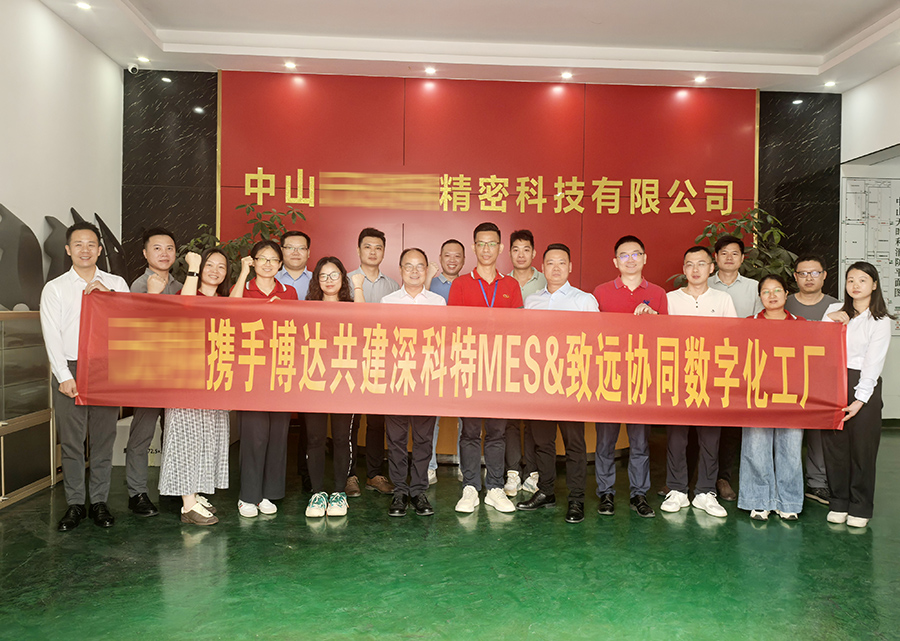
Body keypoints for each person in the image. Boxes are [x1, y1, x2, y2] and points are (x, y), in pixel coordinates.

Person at [40, 222, 129, 531]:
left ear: (100, 250)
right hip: (71, 368)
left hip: (106, 368)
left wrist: (109, 296)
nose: (85, 250)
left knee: (104, 439)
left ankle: (100, 502)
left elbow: (129, 322)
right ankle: (76, 503)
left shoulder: (116, 283)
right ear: (68, 250)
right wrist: (63, 375)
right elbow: (51, 335)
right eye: (78, 244)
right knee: (72, 442)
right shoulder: (55, 288)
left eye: (91, 244)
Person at [517, 243, 595, 523]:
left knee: (574, 443)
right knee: (543, 442)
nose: (556, 268)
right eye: (550, 263)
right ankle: (546, 492)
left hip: (572, 383)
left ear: (570, 267)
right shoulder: (532, 301)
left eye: (562, 262)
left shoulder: (584, 300)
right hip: (540, 383)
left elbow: (595, 341)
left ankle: (576, 499)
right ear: (543, 267)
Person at [448, 222, 523, 514]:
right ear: (474, 247)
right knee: (469, 431)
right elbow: (454, 328)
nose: (486, 249)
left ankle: (494, 487)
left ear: (500, 248)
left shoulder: (510, 285)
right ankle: (470, 487)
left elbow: (518, 329)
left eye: (492, 244)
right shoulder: (461, 284)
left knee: (496, 432)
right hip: (470, 366)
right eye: (481, 243)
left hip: (500, 368)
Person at [592, 235, 667, 519]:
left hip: (642, 377)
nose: (630, 260)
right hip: (609, 376)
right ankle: (606, 493)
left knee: (640, 442)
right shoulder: (600, 293)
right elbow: (592, 335)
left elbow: (668, 336)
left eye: (636, 254)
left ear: (645, 258)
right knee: (605, 442)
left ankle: (639, 494)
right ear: (615, 262)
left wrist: (655, 317)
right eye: (624, 255)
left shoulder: (658, 293)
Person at [158, 248, 232, 525]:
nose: (215, 270)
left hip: (214, 379)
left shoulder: (225, 302)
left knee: (209, 437)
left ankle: (194, 493)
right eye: (209, 265)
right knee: (185, 438)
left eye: (221, 266)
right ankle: (187, 505)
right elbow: (185, 307)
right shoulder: (187, 292)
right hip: (185, 378)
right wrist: (193, 267)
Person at [662, 245, 737, 518]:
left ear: (711, 268)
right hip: (678, 377)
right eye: (690, 264)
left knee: (710, 437)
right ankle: (677, 489)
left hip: (712, 378)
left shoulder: (723, 299)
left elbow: (732, 338)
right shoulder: (669, 299)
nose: (695, 269)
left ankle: (706, 491)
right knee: (677, 436)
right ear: (684, 269)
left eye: (701, 264)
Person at [230, 240, 299, 517]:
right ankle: (248, 496)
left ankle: (269, 493)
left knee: (277, 435)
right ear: (253, 261)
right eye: (262, 259)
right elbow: (230, 310)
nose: (268, 264)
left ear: (280, 264)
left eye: (273, 260)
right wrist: (242, 274)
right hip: (252, 373)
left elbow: (297, 327)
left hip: (280, 371)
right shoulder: (244, 288)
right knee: (254, 436)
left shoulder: (289, 292)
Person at [822, 262, 894, 528]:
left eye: (862, 280)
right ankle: (838, 502)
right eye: (851, 280)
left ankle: (860, 507)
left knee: (863, 449)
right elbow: (817, 344)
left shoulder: (880, 320)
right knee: (834, 446)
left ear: (874, 285)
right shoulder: (833, 310)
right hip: (833, 380)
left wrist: (860, 399)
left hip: (865, 383)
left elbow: (873, 363)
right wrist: (829, 321)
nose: (855, 285)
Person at [381, 248, 446, 517]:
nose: (415, 271)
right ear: (400, 270)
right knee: (396, 439)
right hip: (396, 378)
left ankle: (418, 490)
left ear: (426, 270)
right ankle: (399, 490)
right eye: (409, 266)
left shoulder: (438, 302)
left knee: (422, 438)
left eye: (420, 266)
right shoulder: (388, 301)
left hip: (426, 379)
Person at [738, 274, 805, 521]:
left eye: (777, 290)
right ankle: (758, 500)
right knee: (756, 447)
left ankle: (788, 502)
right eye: (766, 291)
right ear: (760, 297)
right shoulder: (749, 323)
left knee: (790, 448)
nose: (772, 295)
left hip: (792, 396)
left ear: (786, 294)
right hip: (757, 395)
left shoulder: (801, 324)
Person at [125, 227, 182, 518]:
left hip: (178, 373)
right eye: (157, 248)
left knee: (174, 433)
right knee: (142, 435)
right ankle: (136, 493)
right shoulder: (137, 286)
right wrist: (152, 296)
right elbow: (136, 328)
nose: (164, 253)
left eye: (169, 248)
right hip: (148, 373)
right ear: (145, 253)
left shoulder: (181, 286)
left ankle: (172, 487)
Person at [303, 257, 366, 518]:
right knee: (315, 438)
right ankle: (317, 493)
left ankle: (339, 492)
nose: (329, 280)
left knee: (342, 438)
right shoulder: (307, 308)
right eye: (323, 275)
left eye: (334, 275)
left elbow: (365, 322)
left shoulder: (351, 306)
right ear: (316, 280)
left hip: (344, 380)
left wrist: (359, 287)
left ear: (343, 279)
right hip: (314, 382)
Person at [708, 235, 763, 502]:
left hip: (741, 363)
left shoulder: (755, 288)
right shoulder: (703, 282)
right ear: (715, 257)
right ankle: (695, 477)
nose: (729, 258)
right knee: (702, 420)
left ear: (742, 258)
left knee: (731, 423)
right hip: (706, 362)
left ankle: (724, 477)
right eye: (724, 253)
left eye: (734, 253)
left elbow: (761, 324)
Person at [347, 227, 400, 497]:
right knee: (351, 421)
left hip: (382, 359)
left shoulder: (393, 286)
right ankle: (350, 475)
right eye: (368, 246)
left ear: (384, 252)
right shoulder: (346, 280)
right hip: (352, 358)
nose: (373, 252)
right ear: (358, 250)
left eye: (378, 247)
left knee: (378, 421)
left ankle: (375, 474)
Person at [785, 253, 839, 506]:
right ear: (795, 277)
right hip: (787, 379)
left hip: (822, 380)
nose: (809, 278)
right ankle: (788, 482)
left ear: (824, 276)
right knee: (788, 431)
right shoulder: (783, 303)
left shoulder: (837, 307)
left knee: (819, 432)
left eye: (814, 273)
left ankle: (817, 483)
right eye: (803, 273)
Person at [504, 230, 547, 496]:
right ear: (509, 253)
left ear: (534, 253)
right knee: (509, 419)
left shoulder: (546, 281)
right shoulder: (502, 281)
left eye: (526, 249)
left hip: (538, 358)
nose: (521, 254)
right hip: (509, 357)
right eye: (516, 249)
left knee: (533, 418)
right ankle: (512, 472)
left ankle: (532, 472)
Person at [425, 239, 466, 485]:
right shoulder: (429, 282)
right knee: (432, 416)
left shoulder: (468, 284)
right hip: (435, 355)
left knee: (466, 417)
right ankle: (429, 466)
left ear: (464, 260)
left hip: (463, 354)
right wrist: (427, 278)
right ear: (440, 258)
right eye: (447, 255)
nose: (452, 260)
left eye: (457, 256)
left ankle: (465, 465)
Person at [276, 230, 313, 492]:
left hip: (311, 356)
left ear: (309, 253)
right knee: (278, 417)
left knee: (309, 420)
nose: (296, 252)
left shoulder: (319, 279)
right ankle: (276, 476)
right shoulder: (270, 278)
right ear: (281, 251)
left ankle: (307, 473)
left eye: (301, 248)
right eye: (290, 247)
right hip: (278, 356)